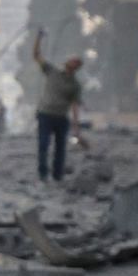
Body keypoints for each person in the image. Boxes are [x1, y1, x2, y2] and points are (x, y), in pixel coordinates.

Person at [32, 30, 83, 182]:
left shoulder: (75, 85)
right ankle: (43, 174)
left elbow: (74, 106)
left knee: (60, 149)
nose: (71, 62)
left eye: (75, 62)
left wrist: (76, 127)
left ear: (76, 67)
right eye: (71, 60)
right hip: (45, 114)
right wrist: (39, 37)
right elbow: (36, 55)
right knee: (43, 145)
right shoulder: (52, 71)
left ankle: (57, 175)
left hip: (61, 118)